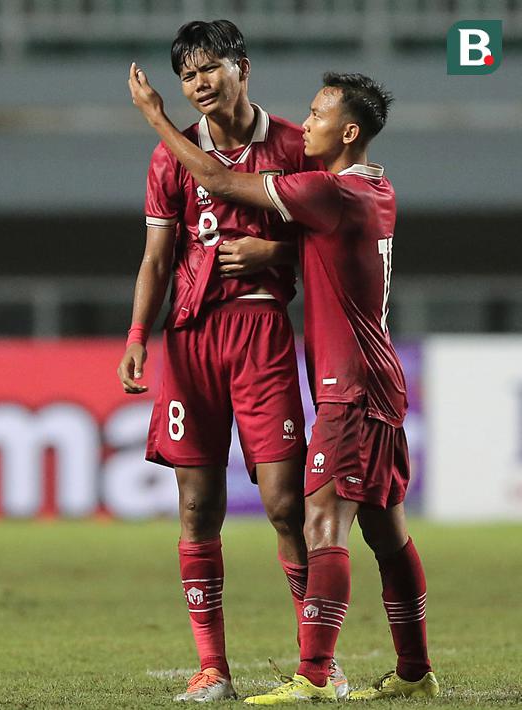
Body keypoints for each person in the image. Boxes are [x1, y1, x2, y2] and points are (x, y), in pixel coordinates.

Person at [129, 65, 438, 703]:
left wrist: (157, 117)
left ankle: (317, 676)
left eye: (321, 113)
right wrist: (276, 254)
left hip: (347, 386)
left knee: (319, 519)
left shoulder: (331, 192)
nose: (310, 121)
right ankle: (415, 671)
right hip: (377, 379)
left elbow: (215, 178)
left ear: (348, 131)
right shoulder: (377, 189)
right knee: (387, 531)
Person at [115, 20, 342, 702]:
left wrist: (275, 255)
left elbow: (336, 240)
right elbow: (157, 257)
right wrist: (135, 333)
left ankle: (317, 665)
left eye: (209, 68)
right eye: (186, 76)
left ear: (241, 67)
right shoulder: (169, 159)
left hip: (260, 330)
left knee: (281, 503)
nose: (198, 84)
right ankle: (212, 668)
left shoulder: (295, 146)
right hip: (190, 340)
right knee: (197, 506)